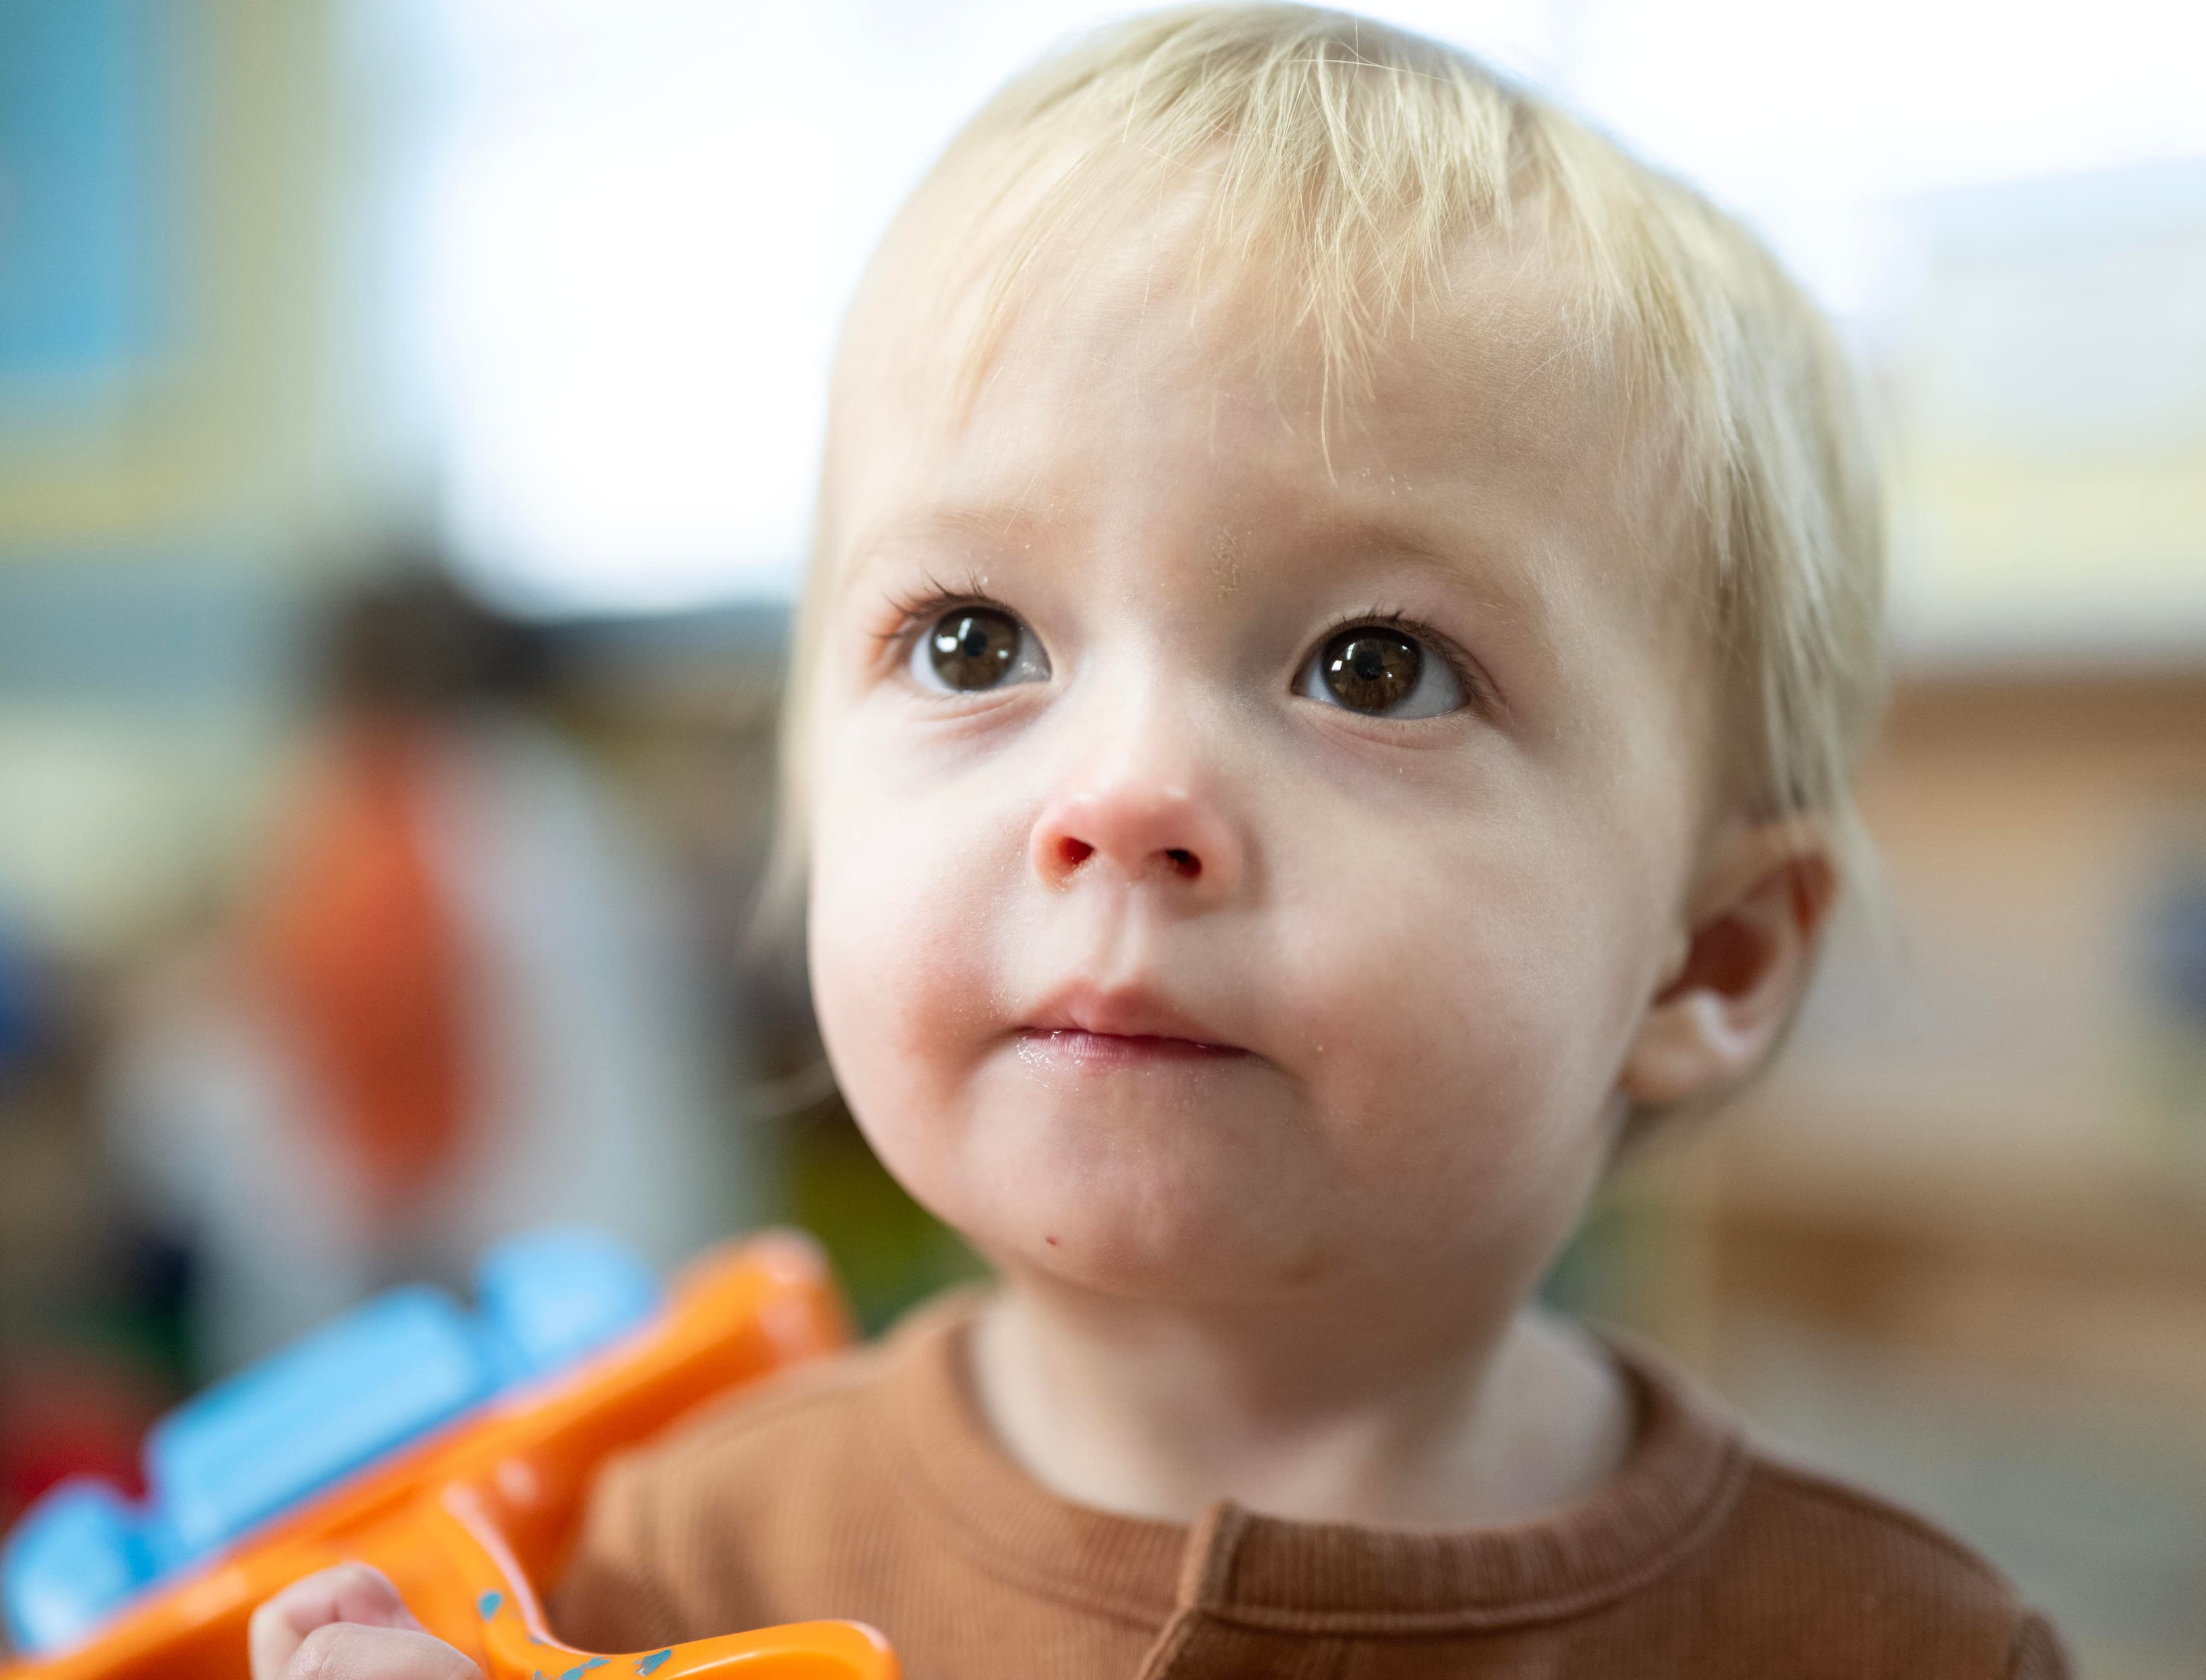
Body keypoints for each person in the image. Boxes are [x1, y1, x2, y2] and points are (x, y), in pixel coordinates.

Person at [250, 7, 2070, 1677]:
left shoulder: (1894, 1650)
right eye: (975, 643)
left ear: (1713, 954)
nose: (1117, 795)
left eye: (1378, 668)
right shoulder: (658, 1563)